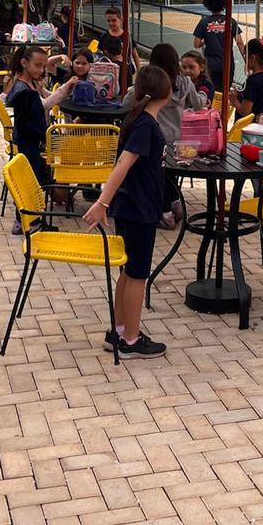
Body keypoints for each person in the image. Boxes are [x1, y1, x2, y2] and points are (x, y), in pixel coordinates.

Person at [84, 65, 171, 360]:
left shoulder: (139, 118)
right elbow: (123, 163)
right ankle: (131, 340)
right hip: (137, 209)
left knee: (128, 270)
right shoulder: (145, 124)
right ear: (166, 93)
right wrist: (102, 202)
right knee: (137, 275)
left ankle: (119, 331)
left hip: (134, 206)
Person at [126, 43, 206, 228]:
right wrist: (203, 96)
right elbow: (199, 105)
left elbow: (127, 103)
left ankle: (165, 213)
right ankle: (175, 204)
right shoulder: (185, 82)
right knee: (171, 173)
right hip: (180, 139)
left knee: (157, 175)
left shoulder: (150, 81)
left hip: (155, 136)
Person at [6, 45, 79, 233]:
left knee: (35, 181)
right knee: (31, 182)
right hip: (29, 143)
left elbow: (43, 103)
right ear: (24, 63)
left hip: (32, 141)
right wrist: (46, 138)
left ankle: (32, 220)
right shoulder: (24, 91)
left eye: (43, 66)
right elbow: (32, 119)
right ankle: (26, 222)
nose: (41, 70)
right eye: (37, 65)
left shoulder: (31, 85)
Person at [193, 0, 245, 95]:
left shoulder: (204, 22)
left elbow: (196, 44)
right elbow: (240, 43)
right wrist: (246, 61)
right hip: (227, 64)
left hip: (210, 65)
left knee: (212, 92)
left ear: (208, 6)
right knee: (225, 92)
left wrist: (206, 40)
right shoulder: (231, 21)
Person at [230, 39, 263, 119]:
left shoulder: (252, 81)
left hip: (249, 125)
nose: (244, 58)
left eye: (245, 55)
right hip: (261, 122)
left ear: (253, 58)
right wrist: (241, 93)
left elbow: (245, 111)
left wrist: (234, 100)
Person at [97, 7, 141, 77]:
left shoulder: (127, 36)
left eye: (114, 20)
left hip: (126, 70)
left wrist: (139, 70)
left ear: (121, 19)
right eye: (108, 21)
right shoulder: (104, 37)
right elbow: (99, 54)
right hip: (109, 72)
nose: (111, 23)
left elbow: (134, 54)